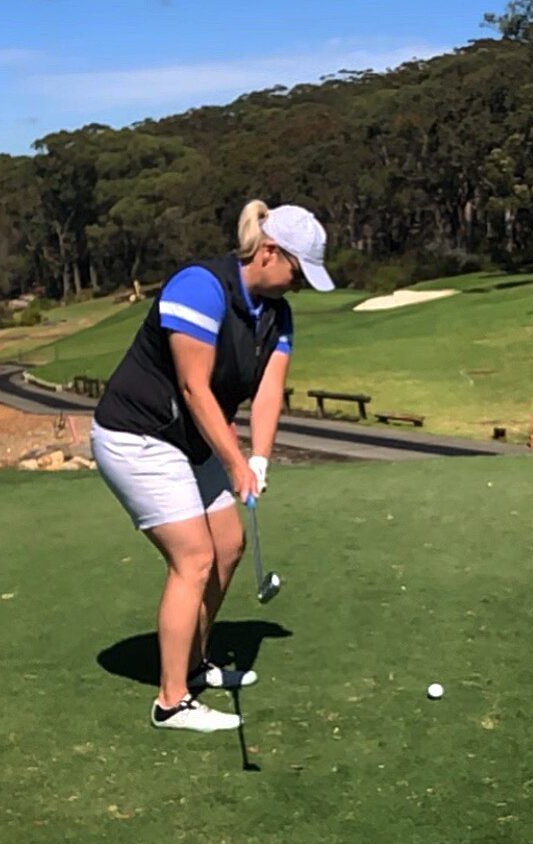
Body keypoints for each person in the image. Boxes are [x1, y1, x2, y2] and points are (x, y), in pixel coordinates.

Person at [90, 200, 335, 732]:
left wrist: (261, 458)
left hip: (188, 438)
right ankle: (171, 701)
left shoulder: (276, 314)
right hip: (136, 433)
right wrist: (234, 461)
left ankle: (195, 664)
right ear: (270, 252)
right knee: (195, 557)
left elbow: (268, 393)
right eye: (297, 272)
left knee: (228, 545)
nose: (299, 286)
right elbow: (192, 386)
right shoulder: (199, 287)